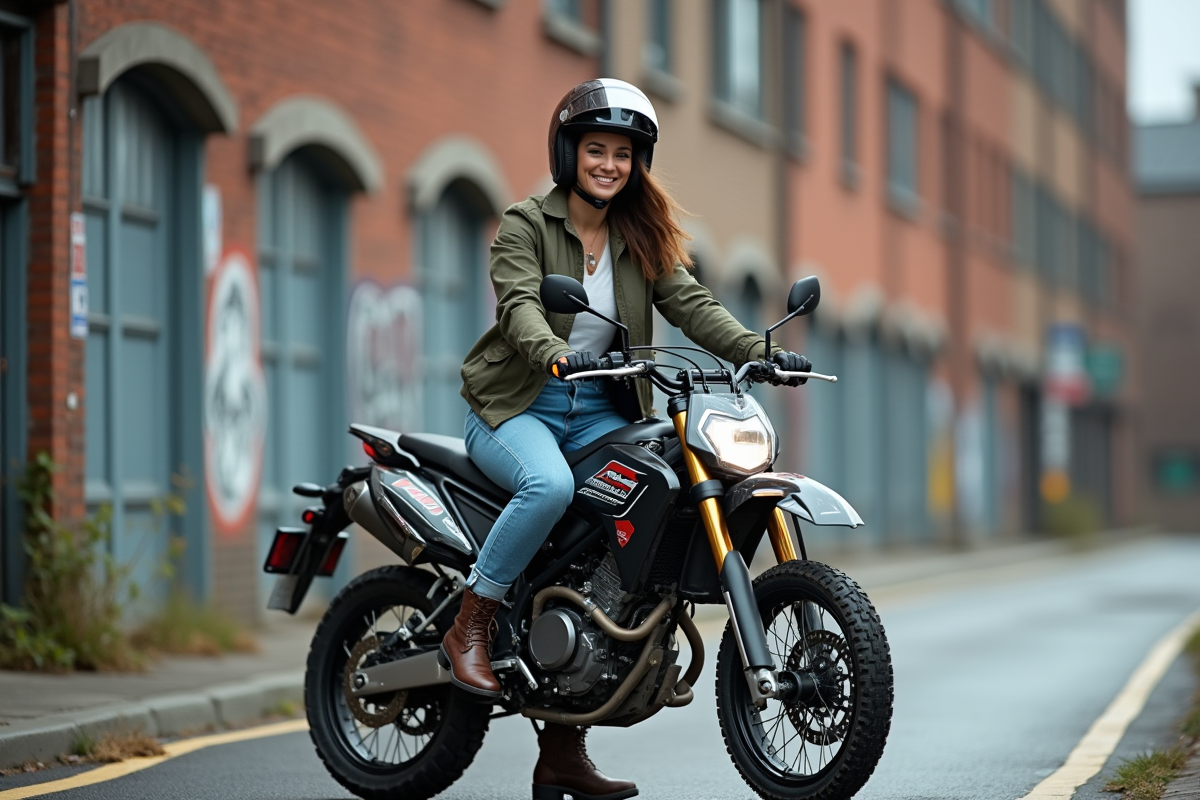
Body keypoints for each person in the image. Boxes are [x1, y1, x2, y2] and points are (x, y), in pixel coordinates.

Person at [439, 79, 812, 800]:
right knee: (547, 487)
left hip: (600, 409)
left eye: (622, 153)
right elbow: (519, 305)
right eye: (596, 150)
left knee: (643, 506)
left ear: (638, 162)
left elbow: (691, 303)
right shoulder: (525, 224)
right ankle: (471, 623)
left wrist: (757, 351)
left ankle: (563, 746)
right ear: (568, 154)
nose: (609, 164)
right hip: (519, 404)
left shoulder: (639, 236)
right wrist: (552, 351)